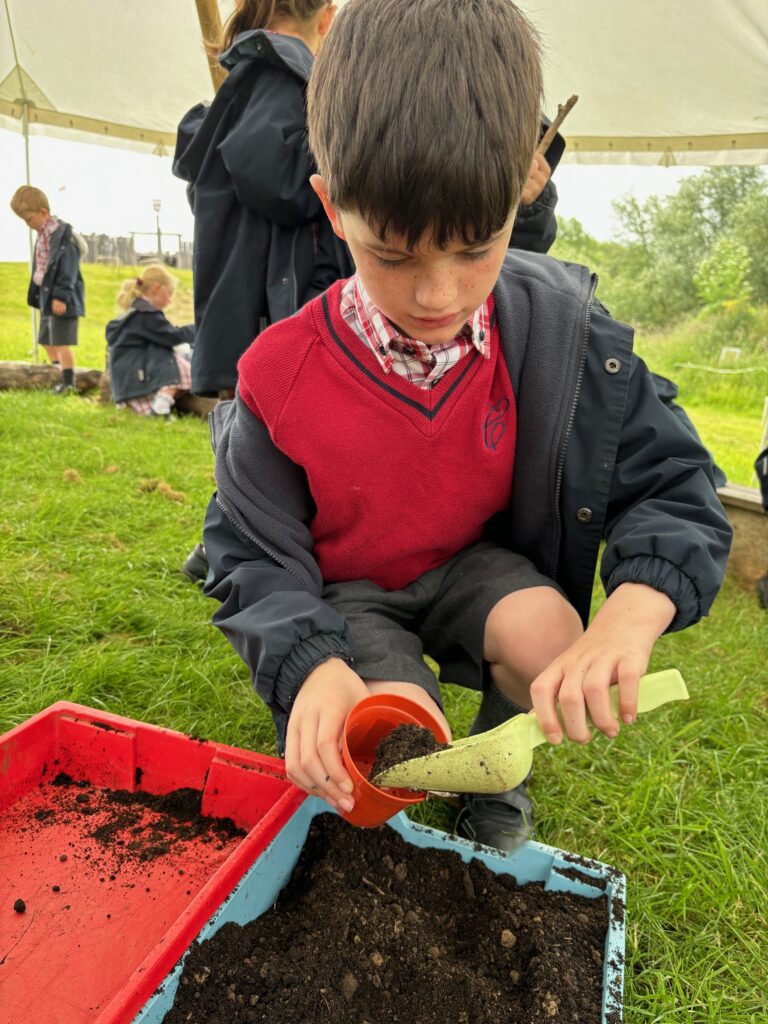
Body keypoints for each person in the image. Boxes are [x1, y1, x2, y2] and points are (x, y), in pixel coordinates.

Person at [201, 0, 732, 851]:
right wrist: (311, 666)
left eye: (475, 248)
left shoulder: (563, 332)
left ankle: (500, 780)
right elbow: (248, 550)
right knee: (395, 728)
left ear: (523, 190)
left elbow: (673, 479)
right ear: (333, 208)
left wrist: (629, 619)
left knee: (552, 635)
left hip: (476, 570)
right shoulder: (279, 372)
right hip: (353, 594)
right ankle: (399, 722)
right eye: (393, 254)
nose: (438, 297)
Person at [173, 0, 348, 398]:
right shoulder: (281, 73)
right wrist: (346, 147)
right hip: (283, 318)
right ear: (327, 17)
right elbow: (278, 181)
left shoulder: (250, 82)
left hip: (255, 320)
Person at [10, 185, 86, 395]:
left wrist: (61, 296)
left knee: (61, 341)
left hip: (62, 299)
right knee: (46, 339)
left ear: (43, 213)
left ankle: (69, 382)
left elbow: (67, 270)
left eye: (29, 219)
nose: (28, 225)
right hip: (46, 297)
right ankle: (56, 373)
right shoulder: (43, 233)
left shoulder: (62, 236)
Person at [105, 264, 194, 417]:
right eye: (169, 293)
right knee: (177, 361)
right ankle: (162, 404)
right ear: (156, 288)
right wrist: (198, 329)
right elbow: (172, 337)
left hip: (126, 385)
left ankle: (158, 404)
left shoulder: (131, 314)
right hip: (139, 382)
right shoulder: (146, 315)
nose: (170, 301)